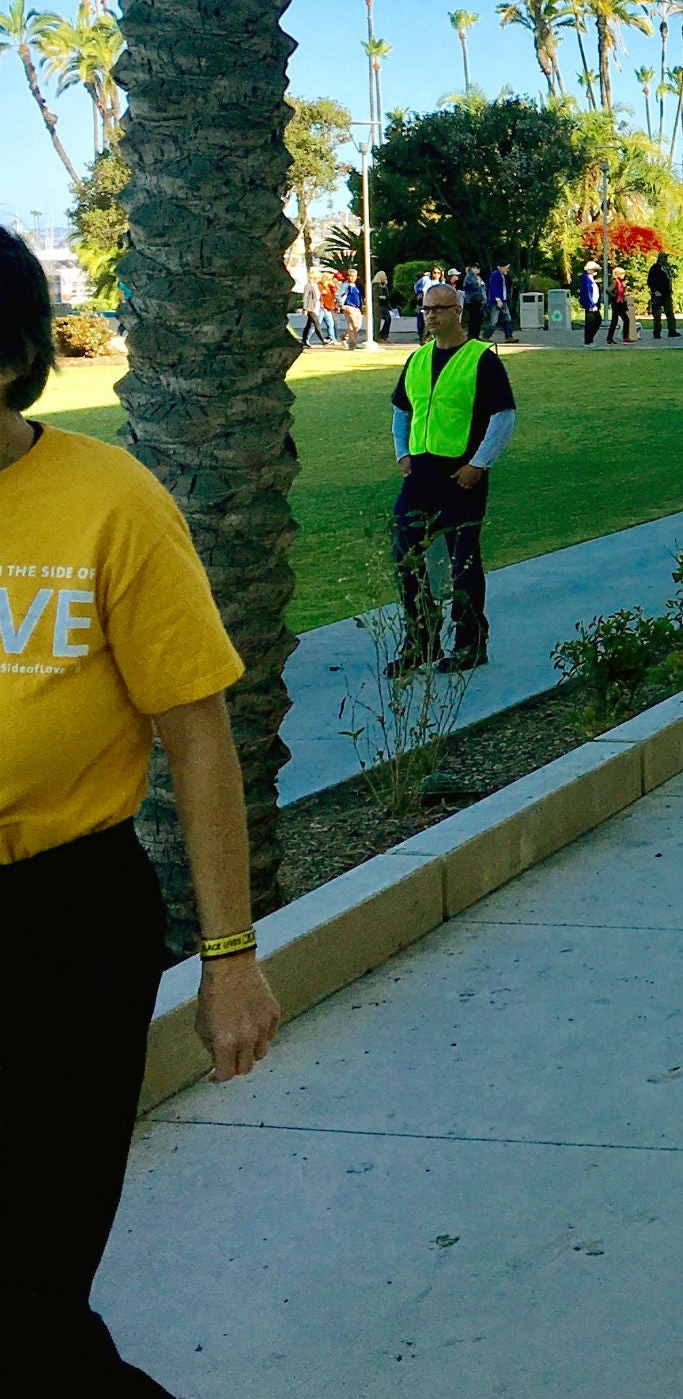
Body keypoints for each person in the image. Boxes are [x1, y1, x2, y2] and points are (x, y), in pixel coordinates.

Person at [0, 225, 281, 1395]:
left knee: (26, 1293)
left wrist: (229, 958)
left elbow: (199, 734)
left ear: (10, 356)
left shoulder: (110, 500)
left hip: (62, 927)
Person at [390, 283, 517, 672]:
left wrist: (478, 463)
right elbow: (401, 409)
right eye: (426, 309)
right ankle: (421, 637)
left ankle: (470, 642)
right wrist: (402, 453)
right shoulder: (417, 359)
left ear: (457, 311)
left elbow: (504, 417)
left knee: (462, 561)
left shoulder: (481, 359)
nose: (431, 316)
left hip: (462, 477)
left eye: (439, 309)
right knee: (405, 555)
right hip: (421, 474)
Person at [645, 252, 678, 338]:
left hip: (666, 294)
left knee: (670, 313)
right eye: (664, 258)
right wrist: (655, 291)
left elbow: (669, 279)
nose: (666, 260)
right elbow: (650, 281)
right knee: (657, 314)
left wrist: (670, 289)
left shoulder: (667, 268)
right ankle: (656, 332)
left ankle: (672, 331)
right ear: (660, 258)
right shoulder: (654, 268)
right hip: (658, 294)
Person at [487, 262, 516, 342]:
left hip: (503, 300)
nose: (507, 269)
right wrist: (497, 299)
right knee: (494, 321)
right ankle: (486, 336)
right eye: (506, 267)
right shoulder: (495, 274)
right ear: (501, 267)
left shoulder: (503, 275)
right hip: (497, 301)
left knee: (508, 319)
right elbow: (493, 287)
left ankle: (509, 336)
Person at [300, 273, 330, 346]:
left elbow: (318, 298)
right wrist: (305, 308)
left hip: (316, 307)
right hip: (310, 308)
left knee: (309, 325)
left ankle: (304, 340)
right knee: (317, 323)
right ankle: (322, 339)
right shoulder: (308, 285)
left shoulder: (316, 286)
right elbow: (305, 297)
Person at [339, 268, 365, 351]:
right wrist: (341, 305)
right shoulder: (345, 285)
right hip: (349, 306)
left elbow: (360, 296)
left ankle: (344, 336)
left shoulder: (357, 286)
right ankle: (353, 344)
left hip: (357, 307)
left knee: (357, 326)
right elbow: (338, 294)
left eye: (354, 276)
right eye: (350, 276)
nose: (352, 278)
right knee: (353, 325)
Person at [578, 259, 603, 346]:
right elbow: (588, 292)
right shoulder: (586, 279)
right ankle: (588, 340)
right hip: (590, 305)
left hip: (593, 304)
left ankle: (589, 339)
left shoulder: (591, 278)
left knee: (596, 321)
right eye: (595, 270)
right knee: (592, 322)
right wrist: (591, 305)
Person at [606, 266, 632, 344]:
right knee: (615, 321)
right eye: (622, 273)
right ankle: (610, 338)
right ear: (618, 274)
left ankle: (625, 337)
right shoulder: (615, 281)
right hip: (616, 303)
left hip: (621, 303)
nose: (624, 275)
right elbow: (608, 290)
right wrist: (614, 296)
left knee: (626, 319)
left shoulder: (621, 282)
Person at [413, 266, 437, 343]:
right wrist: (424, 305)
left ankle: (426, 338)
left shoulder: (438, 281)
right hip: (424, 303)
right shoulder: (426, 280)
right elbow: (424, 292)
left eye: (439, 273)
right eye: (435, 273)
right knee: (423, 321)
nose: (437, 274)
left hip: (432, 303)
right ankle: (423, 339)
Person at [372, 268, 392, 342]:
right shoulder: (375, 285)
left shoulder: (385, 285)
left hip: (384, 305)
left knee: (388, 319)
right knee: (377, 322)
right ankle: (376, 337)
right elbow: (374, 296)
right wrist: (379, 297)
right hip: (377, 306)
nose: (385, 278)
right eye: (384, 276)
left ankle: (384, 335)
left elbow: (387, 295)